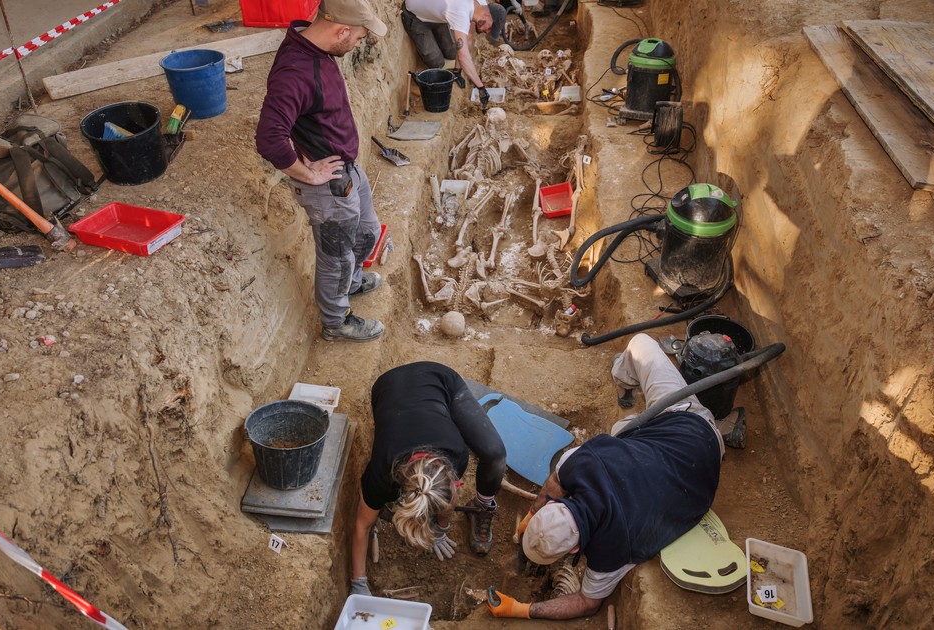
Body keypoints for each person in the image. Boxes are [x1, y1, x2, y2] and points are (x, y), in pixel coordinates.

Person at [487, 333, 726, 620]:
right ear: (557, 504)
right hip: (689, 432)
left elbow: (587, 603)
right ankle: (625, 381)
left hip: (700, 451)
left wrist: (520, 610)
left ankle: (629, 388)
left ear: (576, 549)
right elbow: (555, 482)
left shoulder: (611, 551)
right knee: (641, 345)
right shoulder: (585, 462)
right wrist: (532, 516)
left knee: (623, 428)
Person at [255, 0, 387, 343]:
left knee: (368, 232)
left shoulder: (314, 46)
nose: (358, 44)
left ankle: (352, 283)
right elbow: (269, 138)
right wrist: (306, 173)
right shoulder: (295, 73)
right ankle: (336, 322)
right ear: (341, 31)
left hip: (346, 169)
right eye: (358, 38)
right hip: (327, 187)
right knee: (336, 258)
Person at [349, 362, 507, 596]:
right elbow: (362, 526)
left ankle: (482, 506)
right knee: (374, 507)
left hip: (440, 380)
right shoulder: (381, 475)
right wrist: (358, 584)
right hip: (388, 385)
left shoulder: (456, 454)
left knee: (495, 455)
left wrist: (441, 529)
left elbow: (448, 498)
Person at [401, 0, 507, 108]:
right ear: (487, 15)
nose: (487, 31)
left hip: (437, 17)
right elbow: (463, 56)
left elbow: (467, 39)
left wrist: (457, 71)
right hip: (415, 16)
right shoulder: (461, 12)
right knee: (436, 62)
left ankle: (433, 33)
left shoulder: (480, 5)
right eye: (490, 28)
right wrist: (481, 88)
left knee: (451, 51)